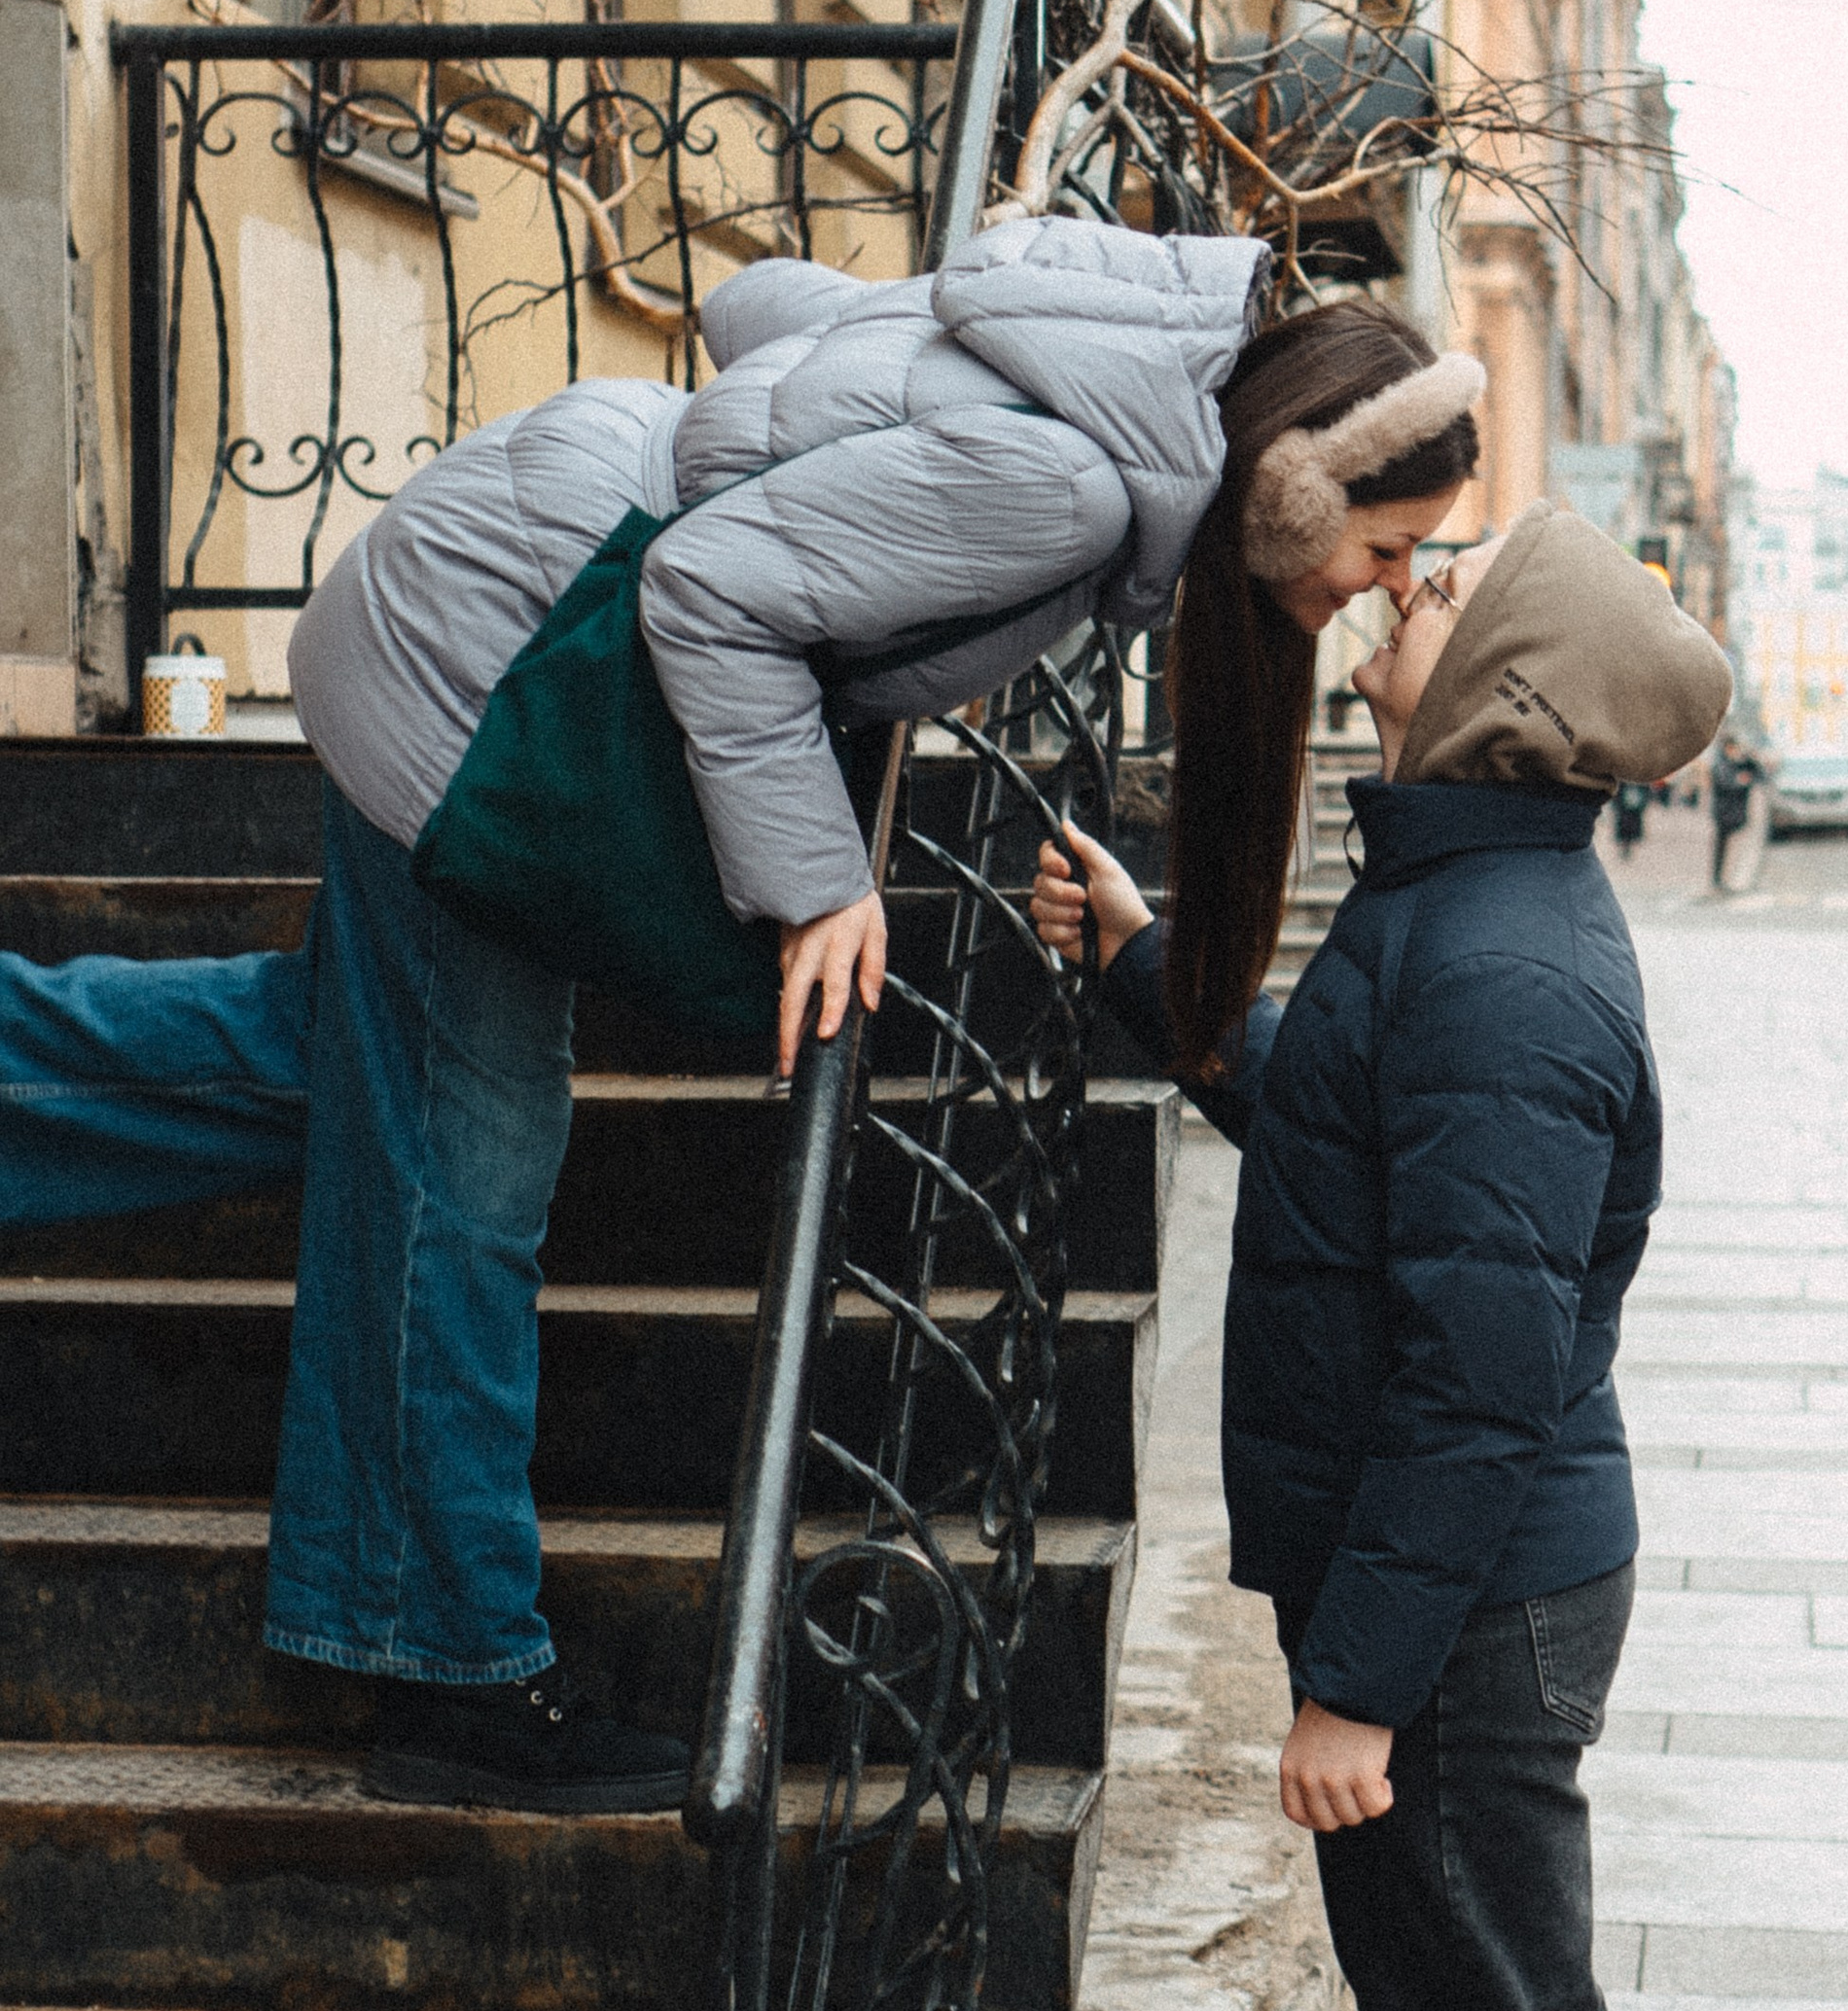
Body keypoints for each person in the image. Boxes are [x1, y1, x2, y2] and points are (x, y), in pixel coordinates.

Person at [0, 224, 1482, 1815]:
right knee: (467, 1165)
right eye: (1387, 549)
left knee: (358, 1070)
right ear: (1293, 487)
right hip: (486, 660)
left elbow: (765, 309)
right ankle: (442, 1667)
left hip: (489, 586)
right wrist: (820, 885)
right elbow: (710, 589)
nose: (1387, 591)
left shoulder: (1099, 374)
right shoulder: (1077, 483)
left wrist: (889, 554)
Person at [1032, 498, 1731, 2011]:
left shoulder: (1509, 961)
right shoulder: (1449, 895)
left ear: (1504, 676)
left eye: (1435, 585)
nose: (1388, 591)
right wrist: (1152, 959)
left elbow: (1481, 1370)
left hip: (1468, 1606)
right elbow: (1330, 1136)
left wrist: (1351, 1683)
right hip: (1438, 1591)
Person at [1708, 729, 1758, 889]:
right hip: (1725, 812)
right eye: (1734, 748)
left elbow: (1756, 771)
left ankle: (1721, 879)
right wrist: (1740, 781)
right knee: (1722, 847)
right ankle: (1718, 879)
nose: (1736, 751)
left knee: (1725, 847)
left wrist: (1749, 756)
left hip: (1730, 812)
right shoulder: (1721, 763)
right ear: (1728, 748)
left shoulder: (1732, 762)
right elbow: (1726, 783)